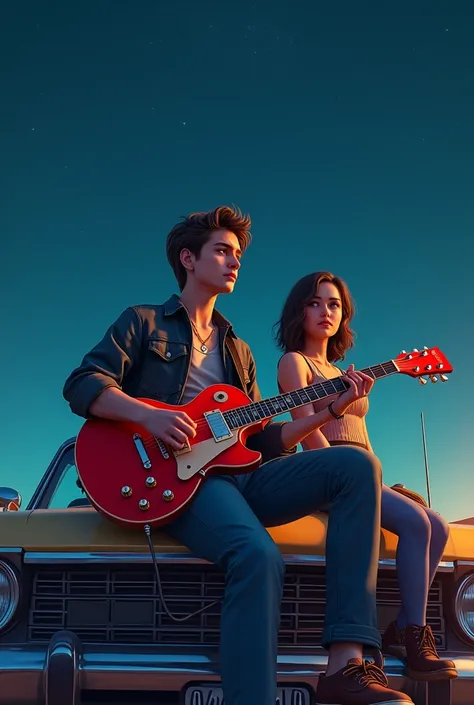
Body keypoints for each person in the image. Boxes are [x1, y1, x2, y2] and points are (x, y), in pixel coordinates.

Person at [63, 207, 414, 705]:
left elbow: (263, 441)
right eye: (223, 251)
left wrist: (326, 409)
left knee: (357, 465)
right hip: (174, 480)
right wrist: (147, 416)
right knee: (256, 552)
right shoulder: (143, 321)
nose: (235, 262)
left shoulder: (240, 351)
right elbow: (82, 384)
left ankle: (346, 664)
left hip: (238, 475)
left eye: (239, 255)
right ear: (188, 258)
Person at [275, 271, 457, 683]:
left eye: (334, 304)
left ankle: (401, 627)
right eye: (315, 302)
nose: (325, 311)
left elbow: (360, 437)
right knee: (414, 523)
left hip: (364, 469)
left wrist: (381, 483)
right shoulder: (294, 362)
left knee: (438, 525)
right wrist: (350, 476)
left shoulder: (343, 371)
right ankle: (415, 638)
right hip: (327, 468)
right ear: (299, 310)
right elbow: (306, 434)